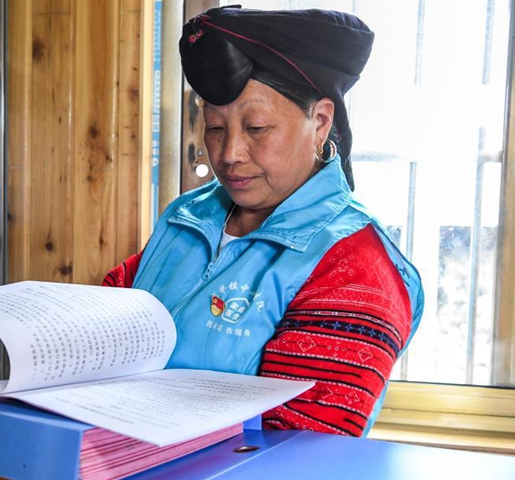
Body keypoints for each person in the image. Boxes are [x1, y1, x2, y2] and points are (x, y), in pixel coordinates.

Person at [103, 6, 424, 437]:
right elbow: (106, 317)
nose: (230, 152)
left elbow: (299, 447)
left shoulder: (355, 265)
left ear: (321, 122)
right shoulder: (188, 218)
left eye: (256, 127)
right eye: (215, 128)